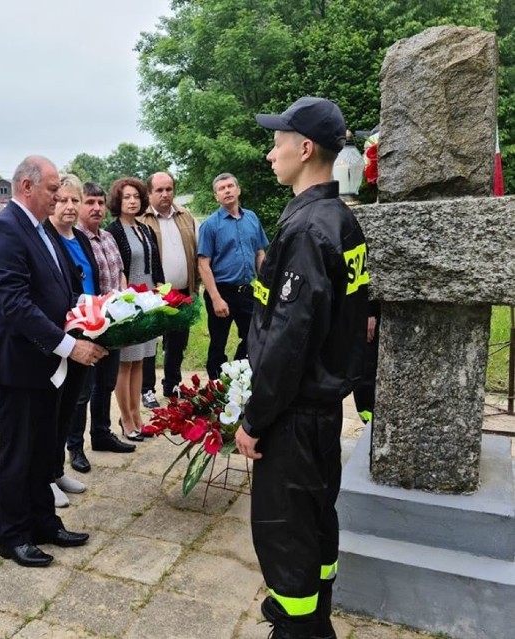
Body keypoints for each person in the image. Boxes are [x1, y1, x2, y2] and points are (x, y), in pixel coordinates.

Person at [235, 97, 369, 639]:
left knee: (288, 538)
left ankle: (298, 631)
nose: (271, 154)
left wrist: (253, 419)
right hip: (320, 413)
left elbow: (287, 344)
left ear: (305, 148)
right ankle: (312, 623)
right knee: (315, 527)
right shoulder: (340, 221)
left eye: (278, 142)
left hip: (291, 418)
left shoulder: (309, 231)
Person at [0, 155, 104, 568]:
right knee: (18, 453)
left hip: (46, 362)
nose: (58, 197)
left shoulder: (41, 229)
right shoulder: (3, 231)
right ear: (26, 187)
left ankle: (44, 522)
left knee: (43, 448)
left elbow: (62, 285)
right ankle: (13, 537)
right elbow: (15, 303)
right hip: (18, 363)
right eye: (52, 190)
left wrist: (95, 321)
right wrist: (67, 345)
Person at [74, 182, 136, 464]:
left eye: (100, 202)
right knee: (82, 390)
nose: (96, 208)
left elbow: (120, 272)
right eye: (90, 202)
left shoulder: (108, 237)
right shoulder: (76, 239)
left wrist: (122, 302)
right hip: (89, 325)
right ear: (79, 206)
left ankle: (101, 433)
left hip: (114, 323)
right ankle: (75, 447)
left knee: (106, 384)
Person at [43, 174, 93, 507]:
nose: (70, 206)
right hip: (57, 338)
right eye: (62, 199)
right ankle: (43, 479)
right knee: (51, 409)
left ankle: (56, 470)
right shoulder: (46, 239)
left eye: (75, 200)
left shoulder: (82, 238)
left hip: (86, 333)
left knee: (73, 404)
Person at [107, 177, 164, 441]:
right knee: (125, 364)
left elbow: (157, 264)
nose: (132, 201)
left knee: (140, 360)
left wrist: (162, 293)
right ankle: (126, 418)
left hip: (149, 302)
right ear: (118, 201)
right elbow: (115, 270)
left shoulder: (146, 229)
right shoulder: (113, 232)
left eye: (136, 197)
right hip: (128, 305)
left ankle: (138, 415)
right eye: (127, 197)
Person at [197, 173, 269, 380]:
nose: (227, 191)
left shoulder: (252, 218)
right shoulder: (210, 225)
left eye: (230, 186)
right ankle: (216, 384)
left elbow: (259, 253)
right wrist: (216, 298)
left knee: (253, 337)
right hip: (221, 291)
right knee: (218, 342)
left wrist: (264, 286)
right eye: (222, 188)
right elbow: (203, 265)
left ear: (238, 190)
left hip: (247, 290)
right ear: (216, 196)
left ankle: (238, 376)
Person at [139, 171, 199, 407]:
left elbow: (196, 252)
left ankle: (172, 386)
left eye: (169, 189)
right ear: (149, 193)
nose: (165, 195)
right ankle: (147, 389)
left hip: (183, 292)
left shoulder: (186, 216)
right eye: (159, 190)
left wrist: (195, 289)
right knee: (150, 342)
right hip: (154, 295)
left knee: (177, 343)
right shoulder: (142, 220)